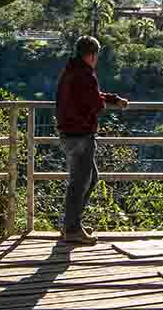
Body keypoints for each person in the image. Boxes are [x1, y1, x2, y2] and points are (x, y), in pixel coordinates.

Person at [55, 36, 128, 244]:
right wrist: (105, 104)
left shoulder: (70, 70)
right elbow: (96, 103)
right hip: (80, 134)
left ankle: (72, 223)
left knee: (89, 178)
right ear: (92, 55)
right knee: (80, 182)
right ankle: (72, 228)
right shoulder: (85, 75)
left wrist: (113, 99)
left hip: (69, 132)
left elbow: (93, 96)